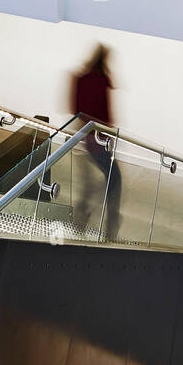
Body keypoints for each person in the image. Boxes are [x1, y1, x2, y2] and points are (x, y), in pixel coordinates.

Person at [69, 45, 122, 242]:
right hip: (98, 140)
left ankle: (80, 222)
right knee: (115, 181)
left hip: (82, 137)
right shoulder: (102, 81)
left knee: (89, 184)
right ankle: (110, 228)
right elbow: (107, 116)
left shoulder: (80, 78)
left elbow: (73, 108)